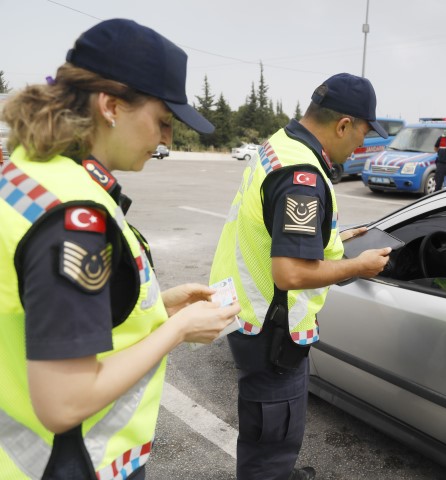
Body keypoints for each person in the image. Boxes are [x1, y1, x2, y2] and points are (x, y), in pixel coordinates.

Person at [0, 19, 240, 479]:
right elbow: (64, 402)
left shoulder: (30, 175)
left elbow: (44, 310)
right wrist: (180, 329)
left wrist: (159, 310)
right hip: (73, 463)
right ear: (110, 105)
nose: (167, 139)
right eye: (164, 121)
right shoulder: (74, 216)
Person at [209, 73, 392, 480]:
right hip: (272, 331)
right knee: (271, 442)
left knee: (267, 431)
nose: (362, 145)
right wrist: (359, 266)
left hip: (250, 315)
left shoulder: (280, 146)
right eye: (362, 134)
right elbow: (290, 271)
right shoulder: (301, 175)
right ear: (343, 124)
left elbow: (274, 229)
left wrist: (333, 238)